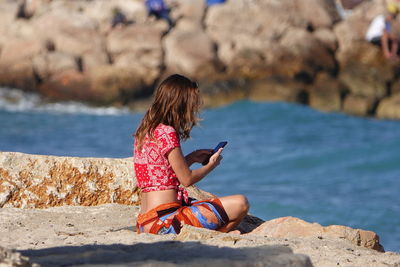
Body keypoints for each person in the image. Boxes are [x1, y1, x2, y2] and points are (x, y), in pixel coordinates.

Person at [133, 74, 249, 235]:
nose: (194, 108)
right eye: (192, 103)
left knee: (214, 202)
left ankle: (214, 234)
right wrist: (211, 165)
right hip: (165, 223)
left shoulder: (147, 130)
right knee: (241, 203)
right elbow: (186, 179)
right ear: (181, 103)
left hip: (145, 222)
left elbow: (161, 172)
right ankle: (215, 236)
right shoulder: (167, 132)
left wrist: (192, 157)